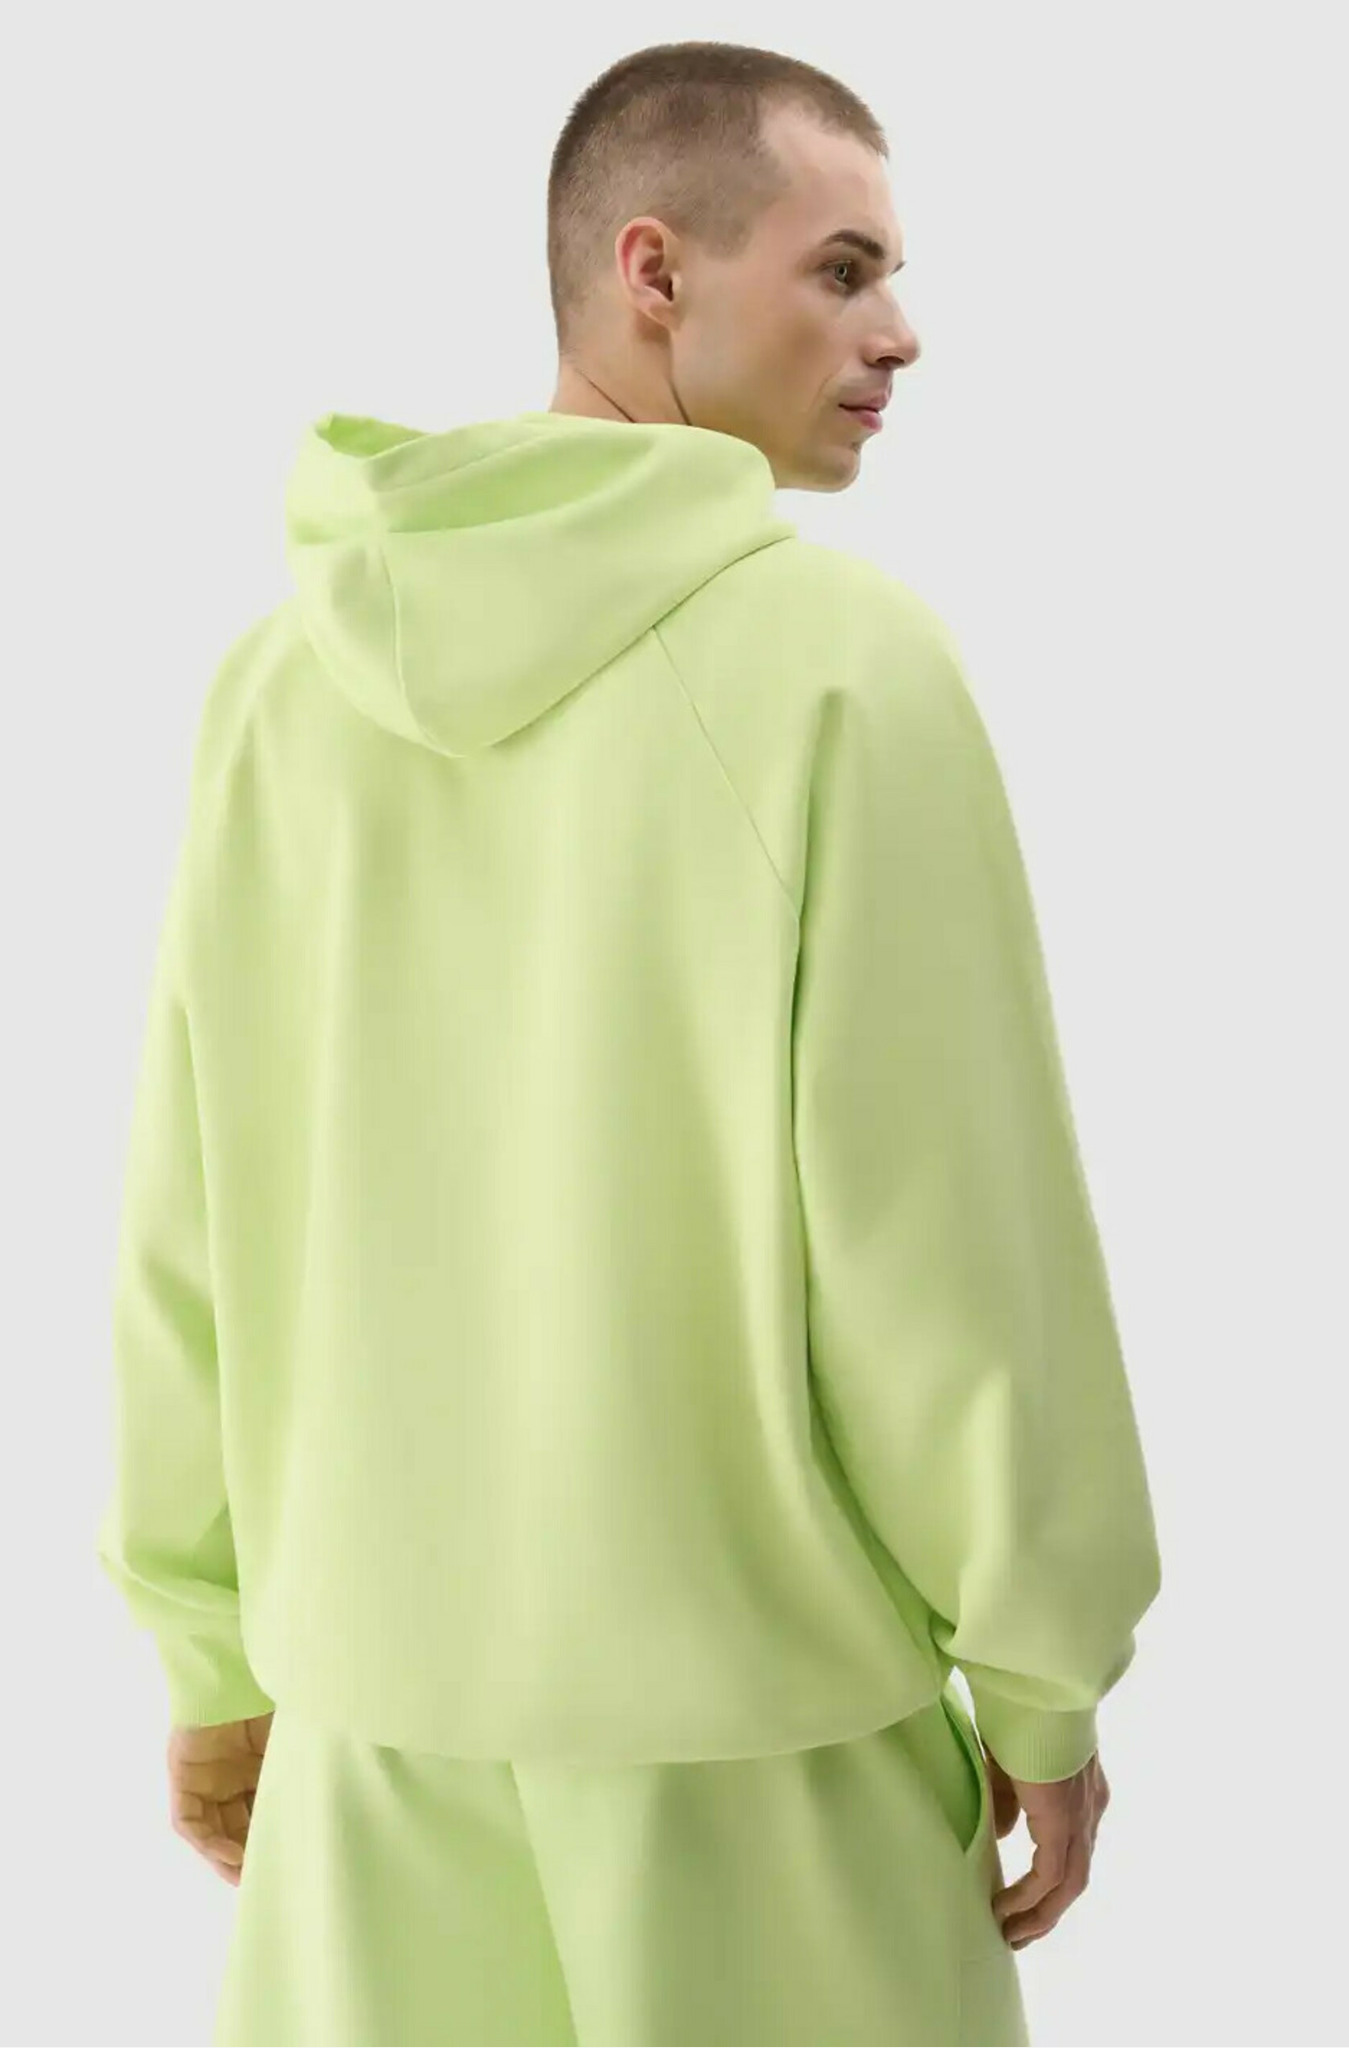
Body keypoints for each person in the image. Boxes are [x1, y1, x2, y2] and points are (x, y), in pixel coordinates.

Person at [96, 38, 1161, 2048]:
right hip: (767, 1765)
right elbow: (947, 1244)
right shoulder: (845, 668)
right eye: (843, 269)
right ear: (654, 270)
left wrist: (208, 1649)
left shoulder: (278, 685)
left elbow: (186, 1224)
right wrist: (1043, 1681)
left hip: (370, 1758)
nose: (901, 331)